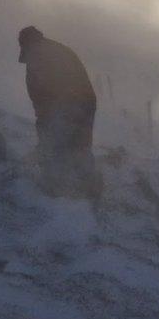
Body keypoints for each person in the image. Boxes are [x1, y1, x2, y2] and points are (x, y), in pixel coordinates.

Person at [17, 26, 102, 199]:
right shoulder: (55, 49)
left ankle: (55, 190)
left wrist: (44, 128)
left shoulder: (38, 56)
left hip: (67, 104)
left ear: (26, 45)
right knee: (80, 145)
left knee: (56, 146)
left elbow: (42, 94)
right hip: (84, 102)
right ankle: (89, 189)